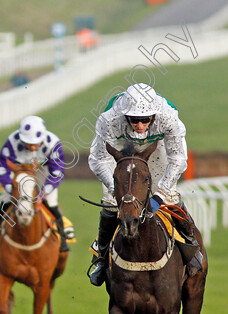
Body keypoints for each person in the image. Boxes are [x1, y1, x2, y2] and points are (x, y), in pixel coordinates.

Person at [86, 83, 203, 286]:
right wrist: (118, 192)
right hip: (120, 149)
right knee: (110, 202)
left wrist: (160, 194)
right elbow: (98, 160)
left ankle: (191, 246)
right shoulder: (109, 119)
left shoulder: (168, 116)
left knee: (171, 197)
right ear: (125, 115)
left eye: (145, 120)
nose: (140, 125)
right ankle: (102, 258)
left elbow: (177, 160)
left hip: (156, 149)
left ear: (154, 115)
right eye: (134, 120)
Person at [0, 115, 70, 252]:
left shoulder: (53, 143)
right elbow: (3, 167)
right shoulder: (12, 141)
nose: (32, 148)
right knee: (6, 199)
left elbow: (57, 172)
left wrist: (43, 193)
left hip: (43, 175)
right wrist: (10, 188)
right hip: (19, 176)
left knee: (51, 202)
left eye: (35, 144)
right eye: (28, 144)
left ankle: (62, 238)